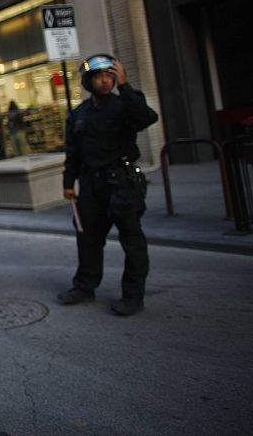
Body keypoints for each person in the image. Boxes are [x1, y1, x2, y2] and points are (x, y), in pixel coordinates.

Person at [59, 54, 158, 316]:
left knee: (132, 240)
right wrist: (68, 183)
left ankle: (133, 297)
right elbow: (73, 153)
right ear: (87, 81)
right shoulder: (78, 115)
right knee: (88, 239)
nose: (105, 81)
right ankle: (84, 286)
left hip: (122, 183)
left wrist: (125, 86)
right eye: (99, 77)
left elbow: (147, 118)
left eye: (109, 76)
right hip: (91, 185)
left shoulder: (125, 104)